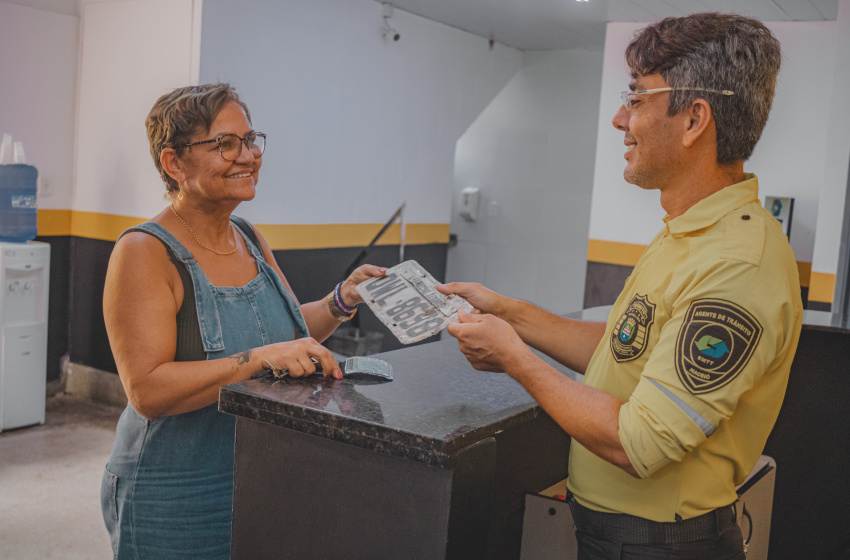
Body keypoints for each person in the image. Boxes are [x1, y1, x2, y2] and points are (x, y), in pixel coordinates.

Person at [438, 12, 802, 559]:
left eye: (636, 99)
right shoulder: (690, 230)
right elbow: (620, 348)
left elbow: (640, 442)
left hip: (662, 542)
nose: (617, 119)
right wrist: (508, 313)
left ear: (694, 119)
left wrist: (515, 358)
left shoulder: (737, 265)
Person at [99, 83, 385, 559]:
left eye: (251, 141)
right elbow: (147, 391)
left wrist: (342, 299)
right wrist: (256, 360)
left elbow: (292, 337)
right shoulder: (144, 252)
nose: (248, 156)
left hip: (255, 474)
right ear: (174, 163)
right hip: (174, 493)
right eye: (225, 144)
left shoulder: (248, 237)